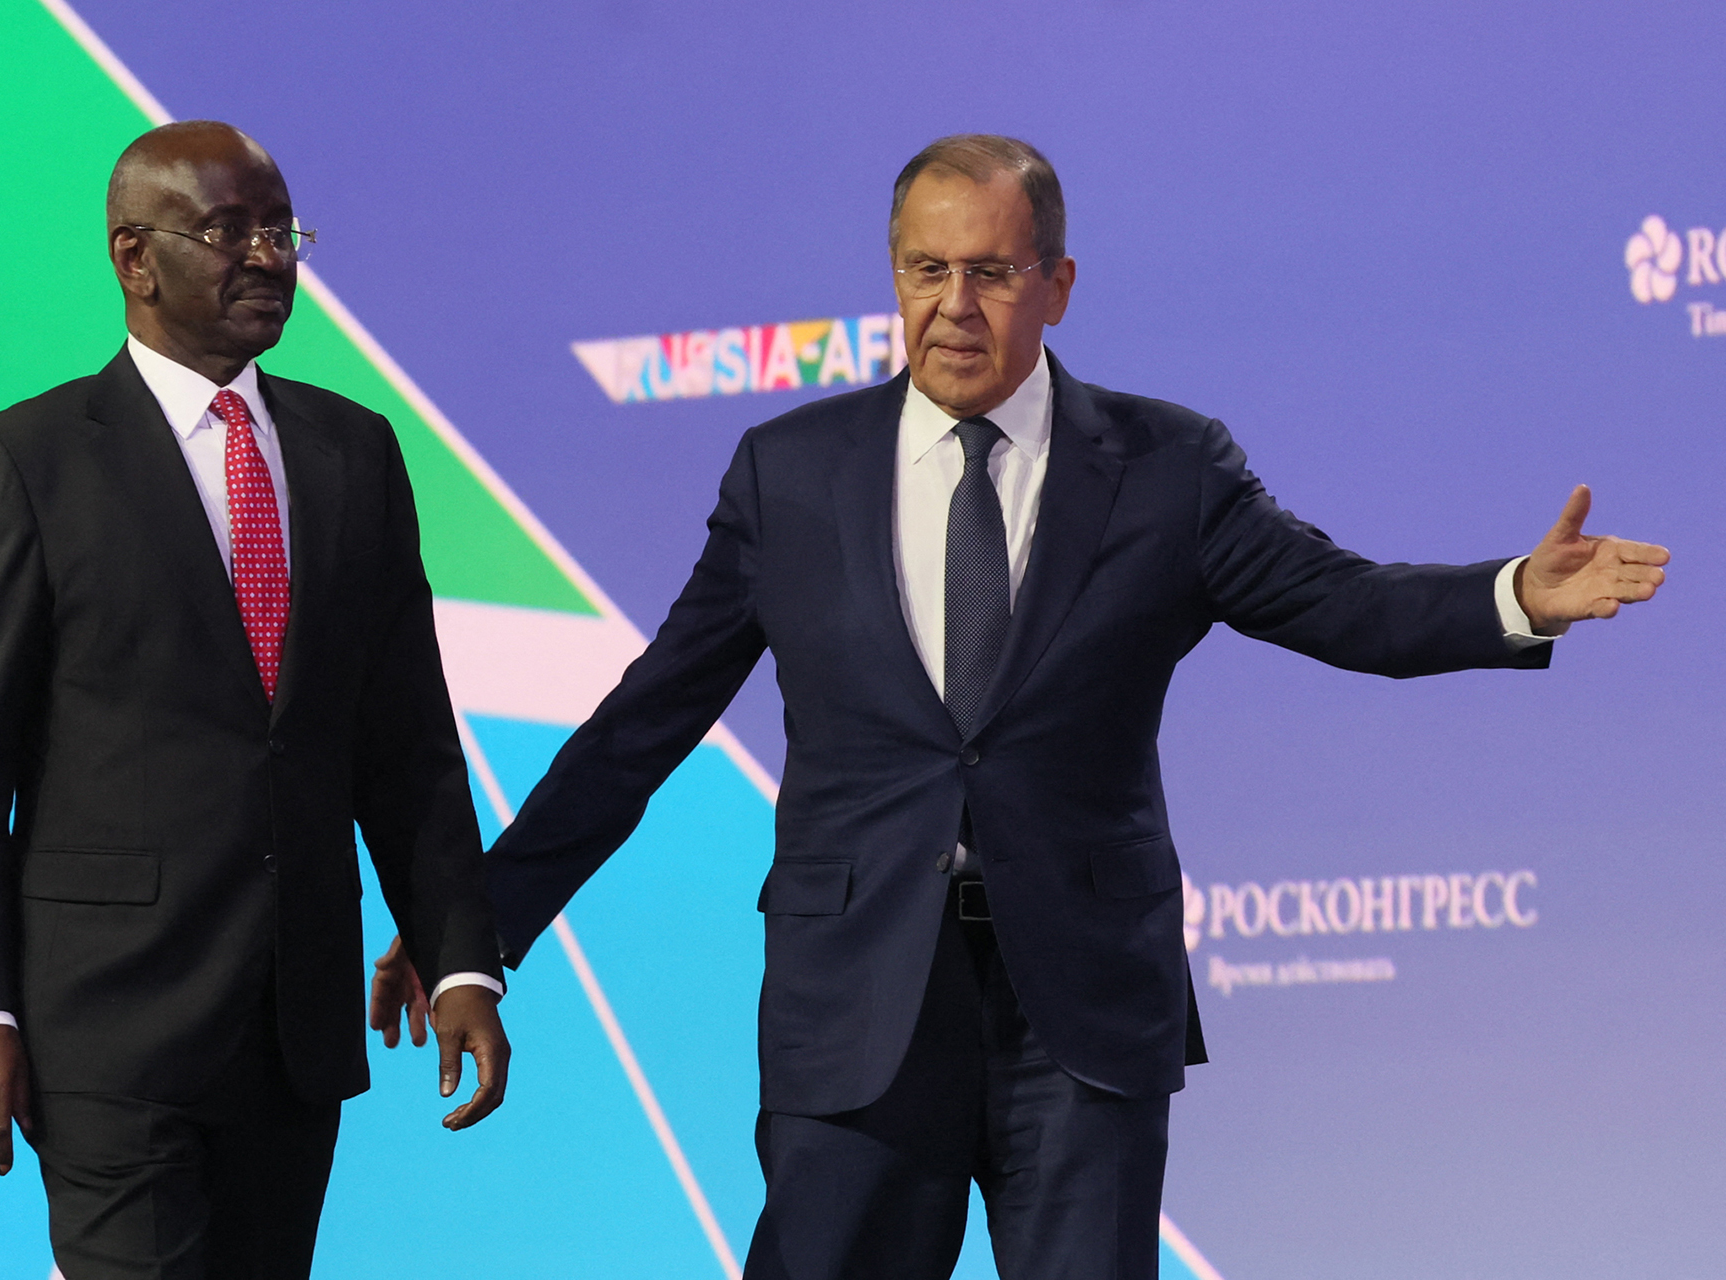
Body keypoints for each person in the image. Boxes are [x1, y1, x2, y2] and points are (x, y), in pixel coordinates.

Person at [372, 134, 1669, 1280]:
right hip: (854, 1009)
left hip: (1081, 1015)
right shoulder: (790, 475)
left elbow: (1346, 606)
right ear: (894, 278)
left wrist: (1514, 595)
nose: (954, 305)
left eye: (992, 271)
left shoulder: (1169, 466)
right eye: (927, 270)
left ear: (1058, 283)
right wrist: (474, 929)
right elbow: (641, 728)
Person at [0, 120, 511, 1280]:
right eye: (228, 231)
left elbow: (407, 748)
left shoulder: (356, 452)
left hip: (294, 1027)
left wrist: (460, 963)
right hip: (107, 1030)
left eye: (281, 231)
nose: (268, 257)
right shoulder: (30, 459)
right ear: (135, 258)